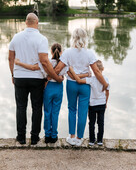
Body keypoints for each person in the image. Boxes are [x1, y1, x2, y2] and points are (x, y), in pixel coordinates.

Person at [8, 13, 63, 145]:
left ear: (26, 22)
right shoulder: (41, 39)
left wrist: (13, 74)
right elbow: (44, 61)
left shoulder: (16, 37)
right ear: (37, 23)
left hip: (20, 77)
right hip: (36, 79)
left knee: (21, 107)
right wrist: (55, 77)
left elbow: (10, 58)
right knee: (37, 107)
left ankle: (21, 137)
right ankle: (34, 137)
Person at [54, 28, 108, 146]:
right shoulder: (89, 53)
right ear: (85, 38)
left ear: (73, 37)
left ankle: (71, 137)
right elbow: (97, 72)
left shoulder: (67, 52)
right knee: (83, 111)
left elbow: (57, 69)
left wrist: (49, 77)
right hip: (85, 85)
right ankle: (79, 139)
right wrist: (105, 83)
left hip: (71, 85)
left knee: (72, 109)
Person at [15, 43, 67, 144]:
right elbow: (69, 73)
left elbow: (34, 68)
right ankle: (54, 135)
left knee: (47, 112)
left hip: (48, 87)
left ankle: (47, 135)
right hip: (58, 88)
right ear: (61, 52)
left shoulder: (47, 62)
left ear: (51, 52)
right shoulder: (64, 63)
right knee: (55, 112)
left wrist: (19, 63)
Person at [69, 60, 110, 146]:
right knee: (101, 122)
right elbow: (107, 92)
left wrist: (72, 72)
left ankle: (91, 140)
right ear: (103, 69)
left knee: (92, 122)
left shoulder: (91, 79)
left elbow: (79, 81)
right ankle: (100, 140)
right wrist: (106, 102)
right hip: (102, 104)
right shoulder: (105, 79)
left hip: (92, 105)